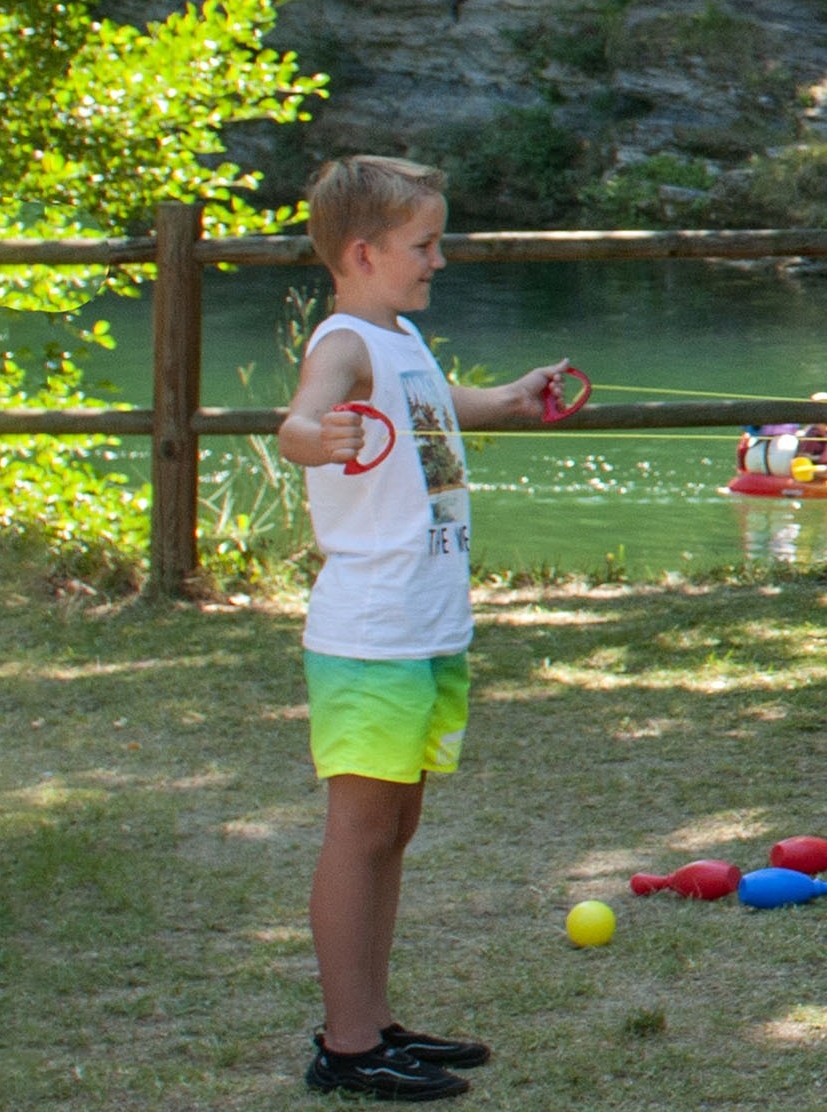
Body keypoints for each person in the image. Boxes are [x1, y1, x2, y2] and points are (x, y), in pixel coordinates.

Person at [276, 157, 572, 1101]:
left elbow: (438, 415)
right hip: (370, 637)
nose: (439, 260)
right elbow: (301, 418)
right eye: (424, 245)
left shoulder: (399, 337)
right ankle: (348, 1047)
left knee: (393, 828)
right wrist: (314, 437)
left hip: (428, 627)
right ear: (362, 252)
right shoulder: (345, 342)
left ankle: (374, 1021)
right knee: (359, 830)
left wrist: (513, 401)